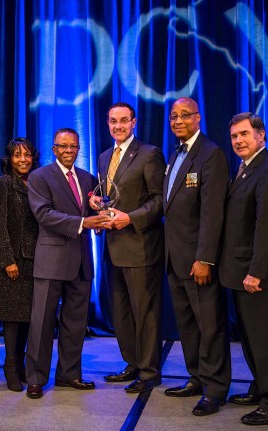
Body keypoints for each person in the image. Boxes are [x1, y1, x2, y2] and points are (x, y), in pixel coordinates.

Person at [25, 128, 109, 399]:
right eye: (63, 146)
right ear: (54, 149)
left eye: (73, 146)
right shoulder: (39, 177)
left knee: (75, 323)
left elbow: (92, 212)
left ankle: (69, 374)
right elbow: (43, 214)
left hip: (82, 261)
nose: (69, 150)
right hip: (51, 260)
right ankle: (36, 378)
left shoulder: (87, 179)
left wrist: (99, 217)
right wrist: (85, 222)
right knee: (42, 323)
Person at [219, 113, 268, 425]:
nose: (238, 141)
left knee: (266, 340)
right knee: (250, 338)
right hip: (238, 271)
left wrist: (257, 271)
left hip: (256, 274)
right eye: (234, 136)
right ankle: (261, 387)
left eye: (245, 134)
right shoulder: (246, 169)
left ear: (261, 136)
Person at [90, 102, 166, 393]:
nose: (118, 126)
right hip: (112, 247)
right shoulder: (104, 156)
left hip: (141, 246)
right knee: (121, 313)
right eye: (113, 121)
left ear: (134, 122)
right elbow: (109, 197)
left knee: (144, 312)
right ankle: (132, 363)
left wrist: (130, 218)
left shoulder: (149, 154)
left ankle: (149, 371)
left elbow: (160, 200)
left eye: (124, 120)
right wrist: (98, 204)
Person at [163, 97, 231, 416]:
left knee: (210, 325)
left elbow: (212, 212)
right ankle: (197, 377)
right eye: (174, 116)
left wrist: (204, 257)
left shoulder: (210, 153)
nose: (178, 120)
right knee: (188, 325)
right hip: (174, 258)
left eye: (184, 115)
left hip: (196, 260)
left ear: (198, 118)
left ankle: (216, 387)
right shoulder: (176, 152)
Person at [0, 138, 40, 392]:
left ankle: (22, 366)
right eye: (17, 155)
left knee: (28, 318)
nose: (23, 160)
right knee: (11, 319)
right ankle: (10, 367)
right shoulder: (3, 184)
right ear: (9, 159)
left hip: (35, 262)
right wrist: (7, 260)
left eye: (27, 155)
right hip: (12, 262)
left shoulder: (38, 183)